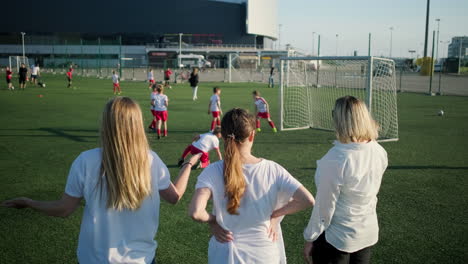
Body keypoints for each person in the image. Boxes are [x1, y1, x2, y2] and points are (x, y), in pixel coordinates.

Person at [2, 97, 201, 264]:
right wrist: (188, 165)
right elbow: (174, 197)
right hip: (141, 259)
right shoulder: (151, 159)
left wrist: (29, 203)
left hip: (94, 258)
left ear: (106, 124)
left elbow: (63, 209)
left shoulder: (85, 160)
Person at [189, 108, 315, 264]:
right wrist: (275, 216)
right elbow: (307, 199)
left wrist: (213, 221)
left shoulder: (212, 171)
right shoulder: (273, 169)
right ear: (252, 135)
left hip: (226, 255)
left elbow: (196, 212)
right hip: (265, 254)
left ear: (224, 137)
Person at [303, 96, 388, 264]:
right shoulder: (379, 151)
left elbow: (324, 209)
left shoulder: (336, 159)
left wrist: (310, 237)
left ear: (341, 121)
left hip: (337, 239)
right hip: (366, 233)